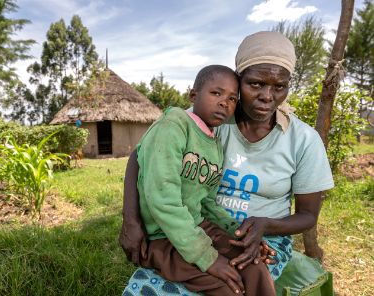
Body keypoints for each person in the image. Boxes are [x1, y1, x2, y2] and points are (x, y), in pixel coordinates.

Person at [119, 31, 335, 294]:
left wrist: (266, 224)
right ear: (238, 79)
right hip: (189, 226)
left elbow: (308, 215)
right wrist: (130, 220)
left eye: (279, 86)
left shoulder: (303, 140)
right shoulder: (209, 120)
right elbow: (142, 155)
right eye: (255, 84)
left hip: (264, 236)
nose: (267, 96)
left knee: (243, 282)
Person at [134, 65, 275, 296]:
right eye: (216, 93)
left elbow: (208, 202)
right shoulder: (173, 126)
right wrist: (208, 258)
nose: (224, 103)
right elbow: (162, 201)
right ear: (193, 95)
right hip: (163, 237)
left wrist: (239, 234)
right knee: (229, 287)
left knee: (254, 267)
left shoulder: (214, 145)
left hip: (198, 227)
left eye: (232, 98)